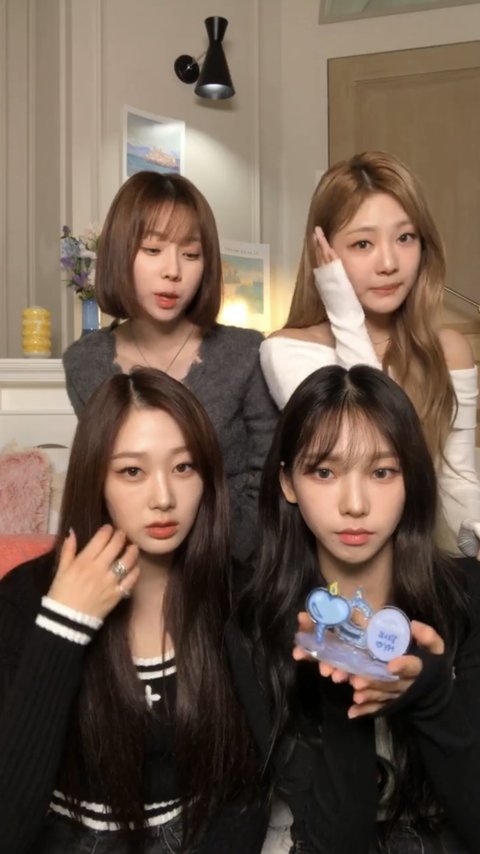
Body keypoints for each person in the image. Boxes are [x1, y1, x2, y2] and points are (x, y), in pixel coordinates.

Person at [0, 368, 269, 854]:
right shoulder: (23, 597)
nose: (163, 498)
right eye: (132, 472)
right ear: (95, 480)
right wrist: (65, 624)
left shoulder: (238, 595)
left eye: (184, 467)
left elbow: (247, 791)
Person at [231, 364, 480, 854]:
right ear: (287, 483)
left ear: (411, 479)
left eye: (382, 471)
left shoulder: (468, 596)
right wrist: (341, 684)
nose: (355, 504)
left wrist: (432, 694)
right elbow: (335, 841)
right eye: (324, 472)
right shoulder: (256, 621)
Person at [260, 151, 479, 556]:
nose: (389, 263)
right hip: (339, 570)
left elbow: (457, 480)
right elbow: (376, 437)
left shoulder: (449, 350)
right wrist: (343, 310)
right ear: (324, 252)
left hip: (428, 565)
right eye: (363, 243)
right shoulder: (288, 350)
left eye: (405, 238)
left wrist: (476, 530)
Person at [62, 170, 278, 562]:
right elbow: (101, 480)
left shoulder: (245, 353)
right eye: (152, 249)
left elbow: (269, 474)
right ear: (119, 253)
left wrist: (219, 554)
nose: (173, 271)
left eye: (191, 254)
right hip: (130, 567)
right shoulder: (84, 363)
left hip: (232, 567)